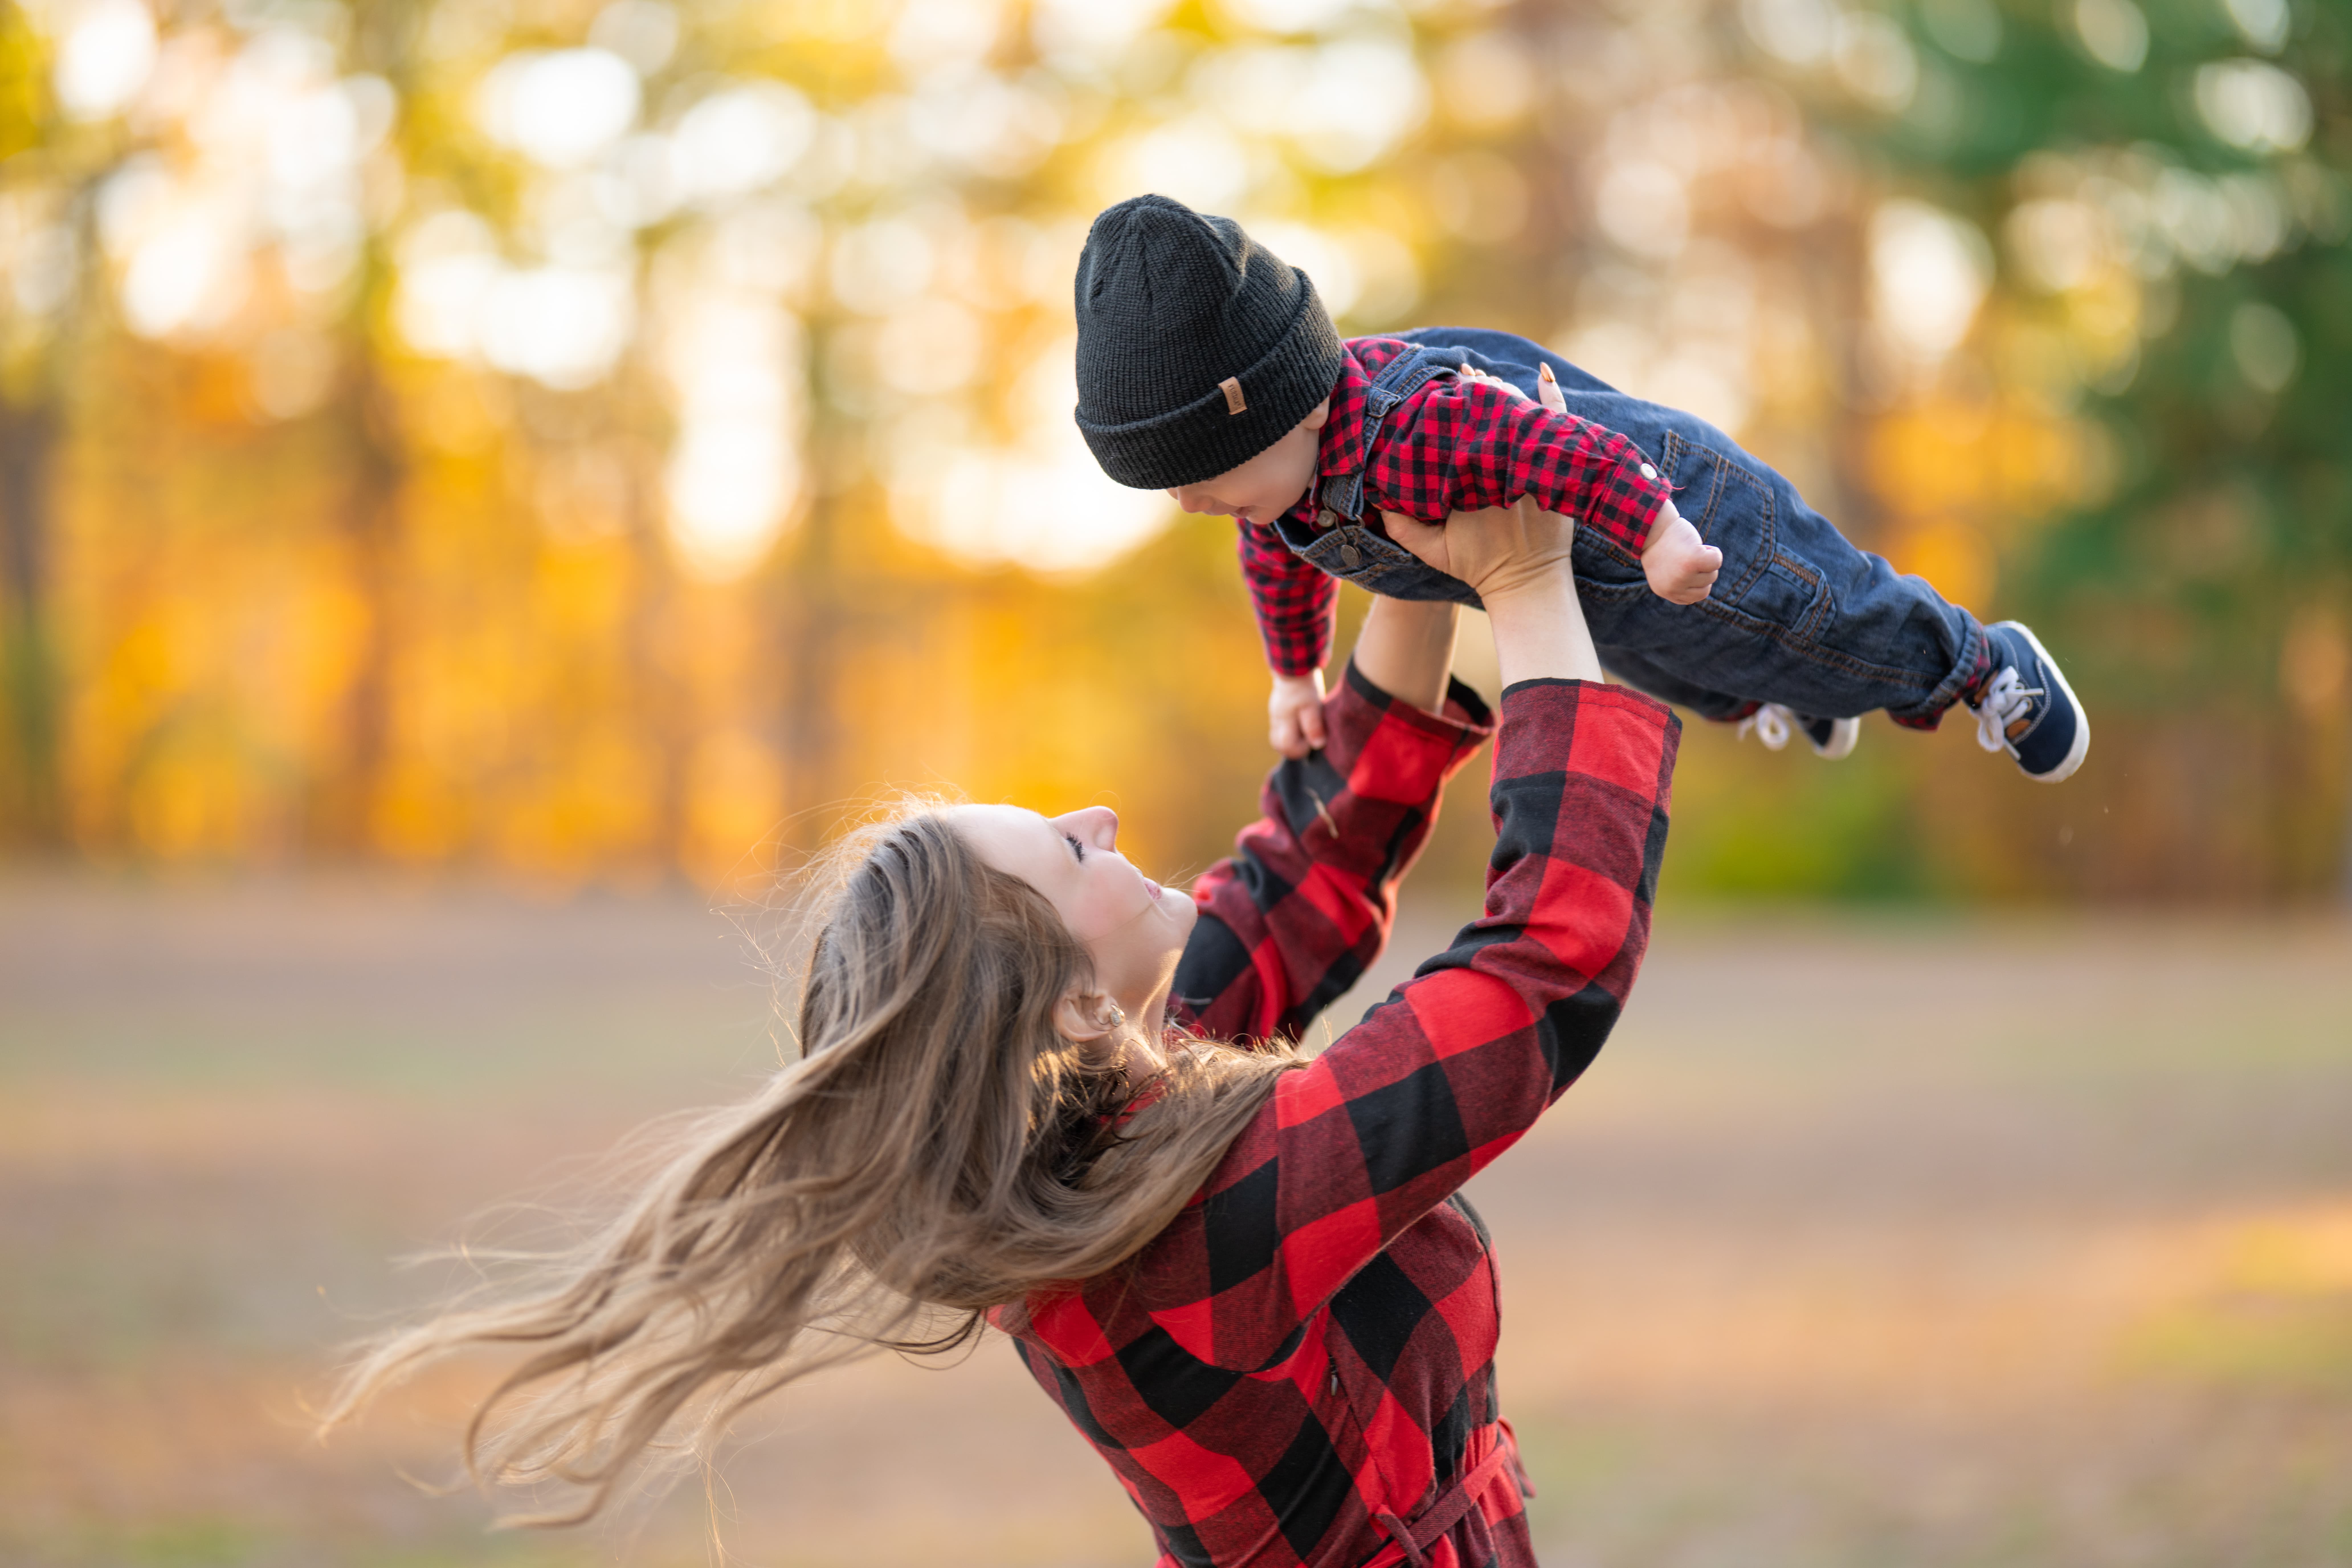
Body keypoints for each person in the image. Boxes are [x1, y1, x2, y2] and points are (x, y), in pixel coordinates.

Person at [324, 502, 1678, 1568]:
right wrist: (1525, 586)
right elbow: (1545, 969)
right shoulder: (1202, 1226)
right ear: (1070, 1005)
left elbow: (1308, 875)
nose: (1095, 814)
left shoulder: (1098, 1142)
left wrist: (1404, 546)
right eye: (1060, 849)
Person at [1070, 193, 2090, 785]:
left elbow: (1565, 453)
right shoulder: (1278, 493)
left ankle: (1980, 663)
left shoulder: (1418, 420)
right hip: (1601, 586)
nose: (1194, 507)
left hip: (1674, 505)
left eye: (1205, 481)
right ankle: (1792, 689)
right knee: (1691, 665)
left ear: (1291, 404)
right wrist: (1296, 675)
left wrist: (1656, 531)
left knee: (1819, 612)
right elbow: (1278, 563)